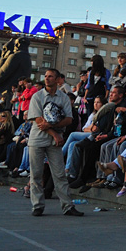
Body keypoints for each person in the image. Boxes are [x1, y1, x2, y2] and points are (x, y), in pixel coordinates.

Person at [27, 69, 83, 217]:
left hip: (54, 142)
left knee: (59, 174)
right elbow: (38, 120)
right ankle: (37, 205)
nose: (47, 79)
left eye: (50, 76)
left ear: (58, 79)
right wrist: (54, 133)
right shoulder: (37, 96)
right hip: (37, 139)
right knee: (36, 174)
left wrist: (52, 126)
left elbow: (68, 119)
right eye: (45, 76)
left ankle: (67, 206)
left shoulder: (63, 97)